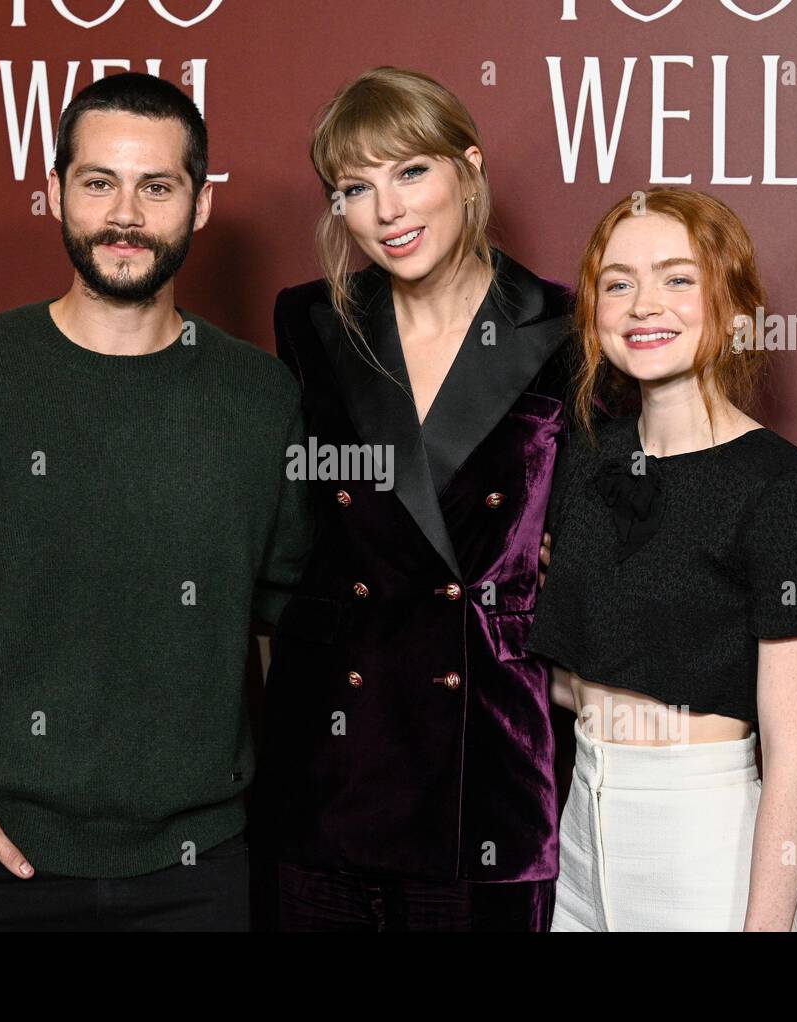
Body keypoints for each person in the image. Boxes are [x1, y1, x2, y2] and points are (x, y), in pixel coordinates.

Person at [0, 71, 313, 931]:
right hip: (2, 867)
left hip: (204, 871)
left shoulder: (260, 398)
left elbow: (296, 624)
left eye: (156, 186)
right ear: (54, 192)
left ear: (199, 205)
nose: (125, 214)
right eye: (99, 182)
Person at [258, 66, 578, 931]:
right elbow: (292, 522)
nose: (387, 211)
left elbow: (596, 530)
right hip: (328, 758)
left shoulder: (566, 328)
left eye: (411, 172)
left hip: (486, 757)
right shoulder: (309, 324)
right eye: (355, 188)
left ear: (468, 168)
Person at [523, 187, 797, 931]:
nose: (644, 304)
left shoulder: (780, 490)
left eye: (677, 278)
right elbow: (580, 676)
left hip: (705, 849)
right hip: (579, 842)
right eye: (618, 283)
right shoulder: (582, 459)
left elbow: (795, 756)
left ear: (731, 305)